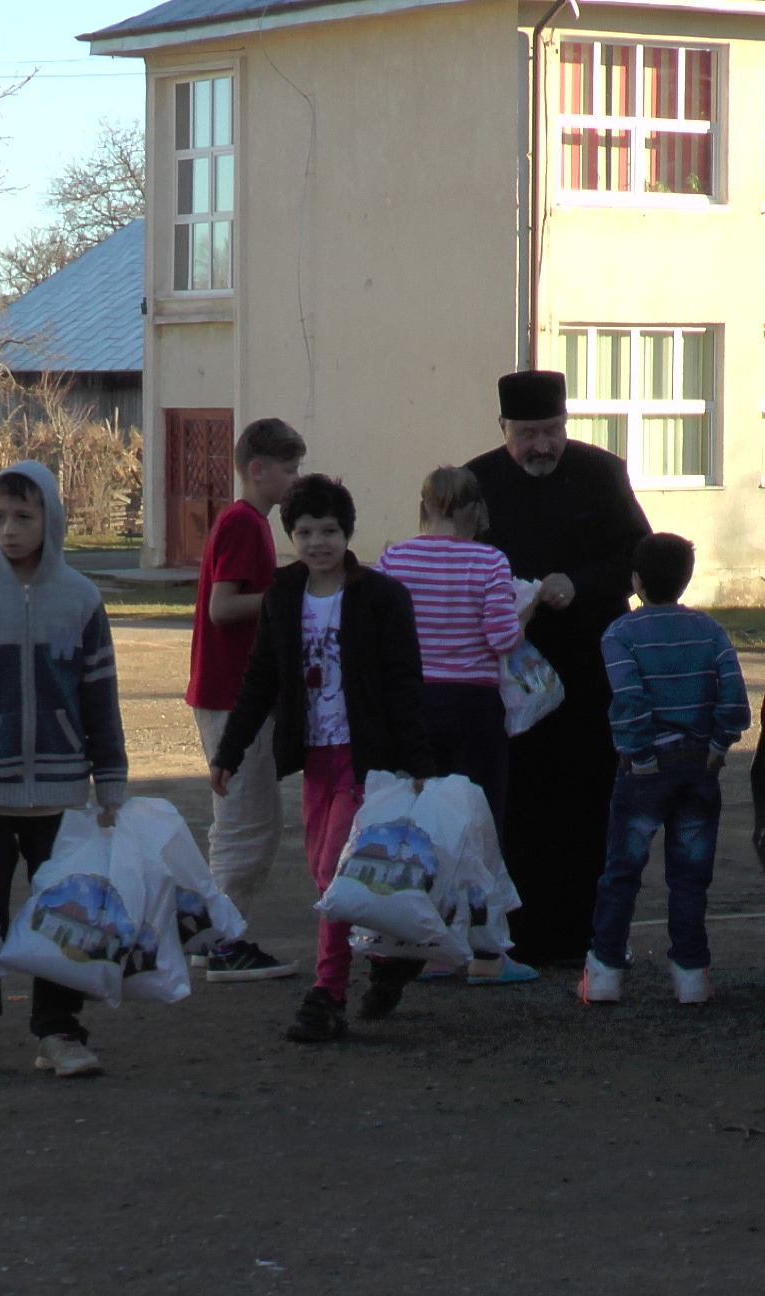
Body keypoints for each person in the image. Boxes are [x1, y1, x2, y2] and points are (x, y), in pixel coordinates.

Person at [0, 461, 128, 1079]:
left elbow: (101, 700)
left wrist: (110, 784)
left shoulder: (82, 599)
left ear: (51, 520)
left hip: (61, 795)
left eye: (24, 517)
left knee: (62, 914)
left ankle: (59, 1033)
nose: (9, 530)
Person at [208, 476, 436, 1042]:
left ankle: (326, 994)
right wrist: (230, 750)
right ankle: (389, 960)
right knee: (324, 871)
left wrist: (418, 762)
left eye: (329, 531)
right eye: (305, 532)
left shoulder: (382, 597)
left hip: (368, 759)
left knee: (336, 871)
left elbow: (405, 683)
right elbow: (260, 675)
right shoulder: (284, 596)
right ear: (290, 535)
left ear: (347, 533)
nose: (318, 543)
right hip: (314, 758)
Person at [467, 370, 650, 965]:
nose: (542, 446)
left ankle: (585, 935)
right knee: (516, 802)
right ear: (503, 431)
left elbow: (636, 559)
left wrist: (580, 584)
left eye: (552, 431)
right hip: (505, 673)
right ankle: (520, 931)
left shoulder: (601, 473)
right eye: (528, 434)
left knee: (588, 798)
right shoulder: (478, 481)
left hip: (588, 665)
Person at [375, 466, 538, 986]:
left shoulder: (394, 558)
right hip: (472, 706)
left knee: (420, 825)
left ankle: (424, 944)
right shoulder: (488, 560)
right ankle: (487, 953)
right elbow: (500, 636)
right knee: (481, 826)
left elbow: (378, 630)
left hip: (411, 705)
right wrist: (526, 609)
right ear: (472, 511)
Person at [581, 533, 749, 1006]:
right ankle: (691, 972)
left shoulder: (620, 634)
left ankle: (606, 968)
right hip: (699, 765)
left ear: (635, 581)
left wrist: (641, 754)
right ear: (687, 579)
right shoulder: (711, 631)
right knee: (690, 875)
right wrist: (720, 743)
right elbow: (734, 698)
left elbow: (629, 700)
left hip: (644, 770)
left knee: (622, 871)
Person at [186, 417, 307, 983]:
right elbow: (223, 608)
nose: (294, 480)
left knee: (246, 819)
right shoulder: (245, 523)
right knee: (247, 823)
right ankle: (224, 943)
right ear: (257, 470)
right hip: (233, 694)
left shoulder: (246, 523)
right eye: (288, 470)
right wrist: (288, 592)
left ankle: (215, 935)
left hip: (230, 692)